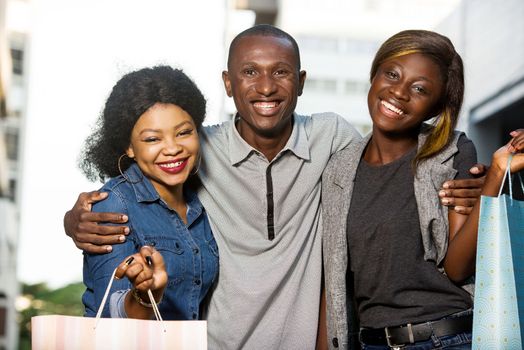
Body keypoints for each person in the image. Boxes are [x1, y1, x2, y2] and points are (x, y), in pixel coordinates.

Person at [64, 25, 485, 349]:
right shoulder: (197, 148)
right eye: (249, 73)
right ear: (228, 84)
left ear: (300, 82)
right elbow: (140, 174)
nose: (265, 87)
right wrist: (73, 219)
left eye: (280, 72)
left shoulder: (333, 140)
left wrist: (463, 177)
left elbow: (396, 146)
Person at [322, 29, 524, 350]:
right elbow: (332, 280)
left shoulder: (451, 150)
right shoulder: (339, 168)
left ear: (435, 107)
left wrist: (496, 174)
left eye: (419, 89)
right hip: (371, 341)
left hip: (445, 338)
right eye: (392, 75)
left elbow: (457, 268)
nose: (399, 92)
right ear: (374, 75)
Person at [79, 65, 218, 321]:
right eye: (153, 139)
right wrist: (144, 295)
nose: (173, 148)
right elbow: (114, 312)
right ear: (129, 147)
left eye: (184, 132)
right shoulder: (113, 205)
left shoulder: (203, 202)